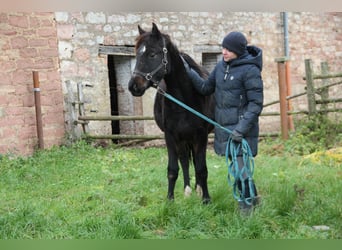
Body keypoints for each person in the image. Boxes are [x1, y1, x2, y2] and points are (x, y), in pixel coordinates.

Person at [183, 31, 263, 214]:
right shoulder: (221, 67)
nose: (224, 52)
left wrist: (241, 129)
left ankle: (246, 211)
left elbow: (256, 104)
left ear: (238, 51)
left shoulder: (250, 70)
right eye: (223, 48)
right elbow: (205, 88)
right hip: (225, 129)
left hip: (242, 130)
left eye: (228, 49)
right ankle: (255, 199)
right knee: (238, 168)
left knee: (240, 171)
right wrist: (189, 73)